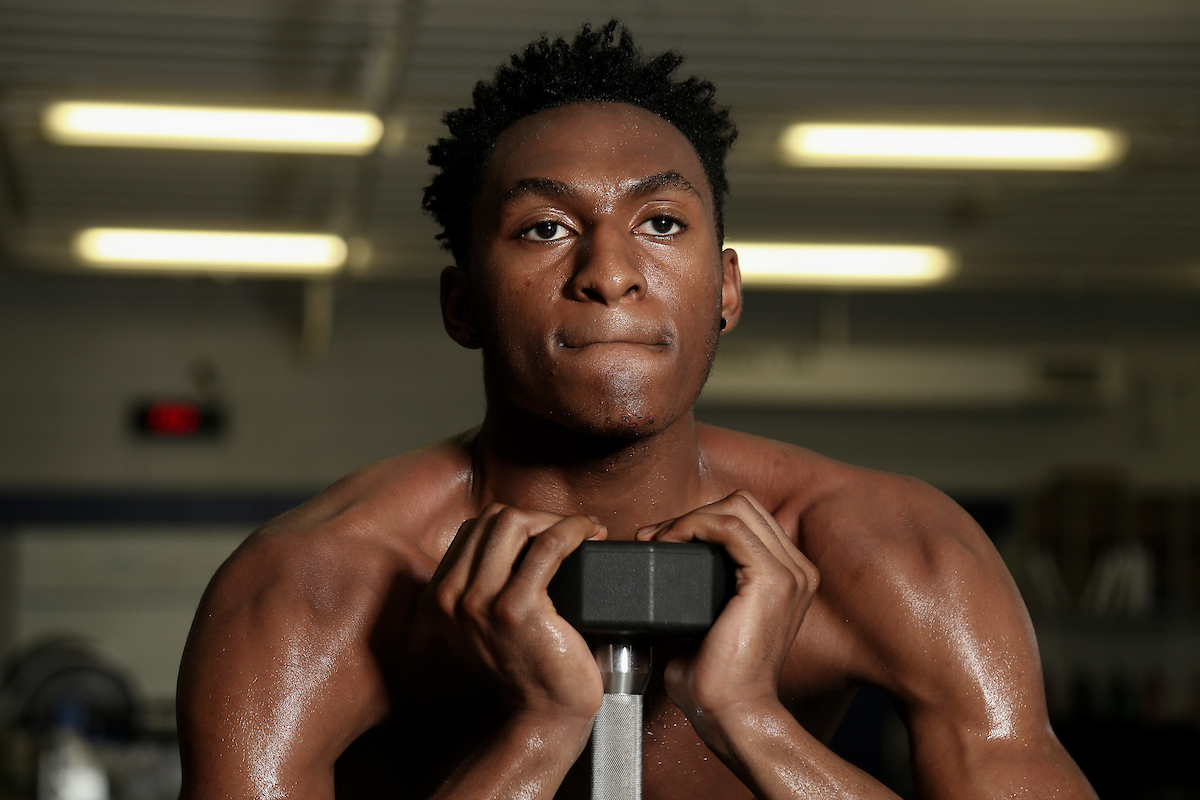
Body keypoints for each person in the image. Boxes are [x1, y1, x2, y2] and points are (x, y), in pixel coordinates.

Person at [177, 21, 1097, 800]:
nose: (609, 272)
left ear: (726, 290)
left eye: (661, 223)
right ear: (463, 304)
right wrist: (536, 736)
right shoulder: (311, 590)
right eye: (546, 229)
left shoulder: (892, 549)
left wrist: (752, 723)